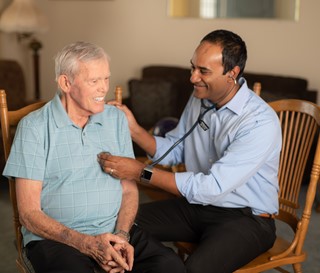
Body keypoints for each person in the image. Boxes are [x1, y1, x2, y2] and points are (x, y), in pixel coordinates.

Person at [98, 29, 282, 273]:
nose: (193, 78)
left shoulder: (259, 122)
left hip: (248, 218)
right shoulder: (199, 98)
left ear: (232, 74)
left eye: (203, 71)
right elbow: (174, 150)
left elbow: (210, 188)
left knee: (196, 269)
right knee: (117, 223)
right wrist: (134, 130)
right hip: (197, 206)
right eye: (193, 67)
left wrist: (140, 172)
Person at [3, 41, 185, 273]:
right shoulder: (35, 127)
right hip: (57, 240)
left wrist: (121, 236)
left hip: (114, 231)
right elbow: (29, 214)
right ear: (66, 83)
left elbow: (128, 190)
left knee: (170, 266)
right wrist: (87, 244)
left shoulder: (115, 119)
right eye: (94, 81)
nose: (103, 89)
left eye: (106, 79)